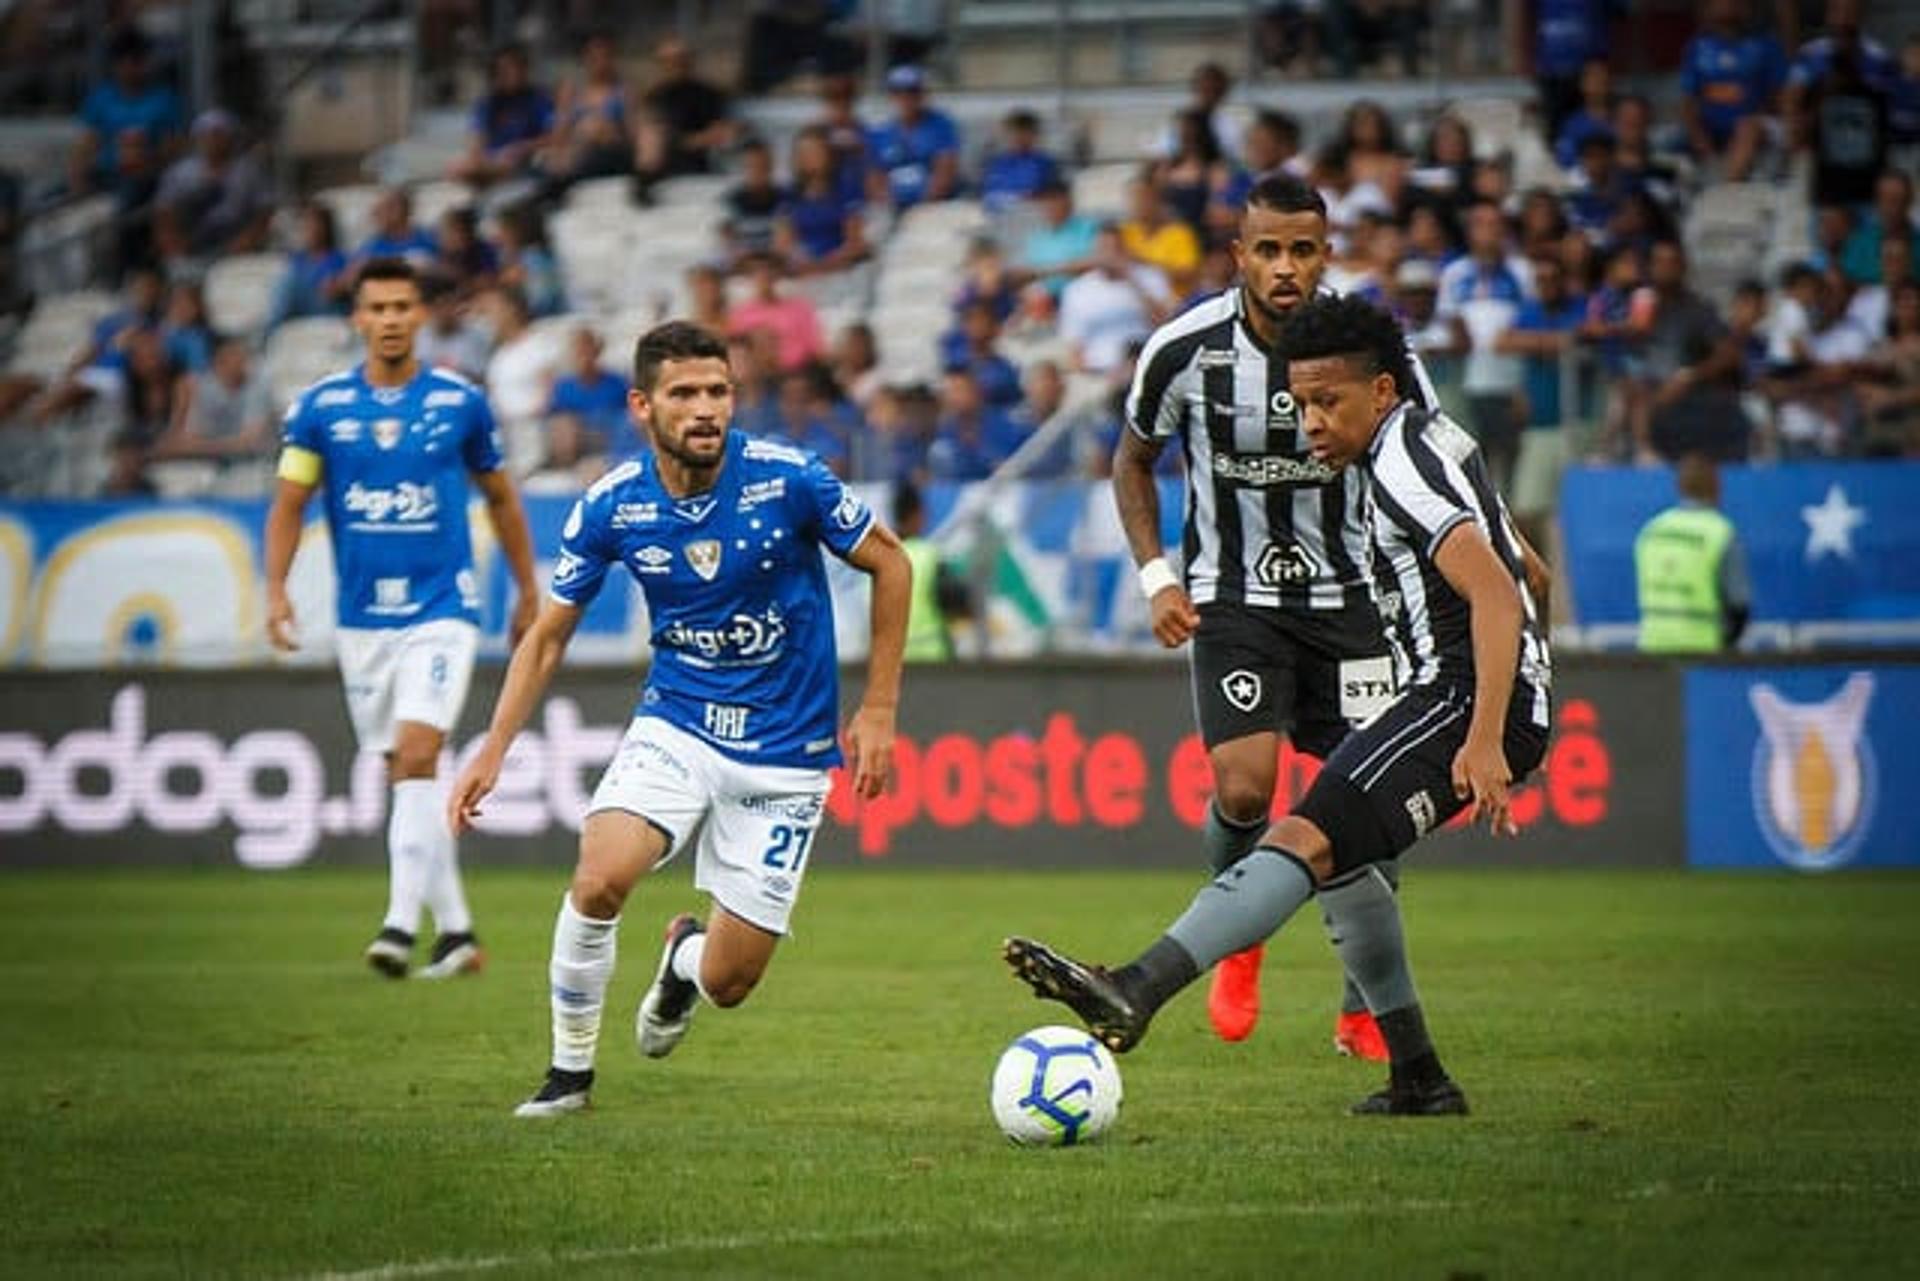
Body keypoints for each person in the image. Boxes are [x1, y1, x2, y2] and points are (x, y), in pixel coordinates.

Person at [1009, 293, 1553, 1116]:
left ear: (1381, 392)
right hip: (1464, 696)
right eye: (1299, 404)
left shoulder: (1403, 462)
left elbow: (1498, 596)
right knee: (1342, 855)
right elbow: (1531, 576)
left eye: (1328, 402)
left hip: (1459, 699)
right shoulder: (1437, 442)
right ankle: (1418, 1077)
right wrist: (1523, 692)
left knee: (1302, 833)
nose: (1310, 425)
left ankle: (1135, 985)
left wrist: (1485, 735)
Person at [446, 320, 910, 1117]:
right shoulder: (613, 506)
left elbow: (891, 562)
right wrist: (492, 748)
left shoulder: (790, 478)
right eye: (684, 393)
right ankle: (569, 1076)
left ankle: (682, 961)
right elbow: (547, 634)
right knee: (600, 875)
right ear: (641, 405)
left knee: (730, 982)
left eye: (719, 392)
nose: (706, 409)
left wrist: (878, 706)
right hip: (680, 722)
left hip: (787, 752)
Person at [1111, 174, 1444, 1062]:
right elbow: (1133, 461)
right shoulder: (1183, 349)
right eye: (1268, 249)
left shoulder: (1376, 347)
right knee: (1246, 791)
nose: (1286, 267)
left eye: (1303, 249)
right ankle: (1241, 927)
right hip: (1235, 599)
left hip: (1359, 606)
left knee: (1365, 805)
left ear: (1326, 253)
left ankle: (1359, 1009)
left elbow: (1430, 453)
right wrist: (1156, 577)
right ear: (1239, 256)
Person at [264, 258, 538, 980]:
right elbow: (289, 503)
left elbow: (504, 498)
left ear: (420, 316)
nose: (389, 318)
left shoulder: (461, 402)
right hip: (361, 619)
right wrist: (276, 589)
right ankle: (455, 933)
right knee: (405, 774)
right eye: (376, 307)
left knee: (417, 754)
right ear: (357, 319)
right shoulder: (319, 409)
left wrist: (527, 589)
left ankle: (395, 925)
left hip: (443, 606)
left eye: (401, 306)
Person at [1635, 452, 1750, 654]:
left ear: (1680, 486)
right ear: (1717, 487)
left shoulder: (1651, 530)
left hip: (1653, 644)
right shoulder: (1720, 532)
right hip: (1703, 647)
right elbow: (1739, 605)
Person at [1680, 0, 1787, 182]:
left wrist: (1756, 116)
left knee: (1747, 128)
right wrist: (1702, 143)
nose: (1728, 5)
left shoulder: (1766, 45)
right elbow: (1688, 103)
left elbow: (1779, 96)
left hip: (1758, 129)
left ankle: (1726, 190)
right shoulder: (1697, 48)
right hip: (1711, 135)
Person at [449, 43, 555, 187]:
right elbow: (477, 140)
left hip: (522, 161)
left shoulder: (539, 100)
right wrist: (478, 157)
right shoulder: (487, 103)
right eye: (500, 70)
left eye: (511, 68)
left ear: (524, 69)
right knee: (456, 167)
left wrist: (523, 147)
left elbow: (553, 136)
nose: (506, 74)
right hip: (491, 161)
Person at [866, 65, 960, 211]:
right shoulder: (880, 132)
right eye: (898, 92)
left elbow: (944, 174)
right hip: (891, 207)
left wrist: (922, 206)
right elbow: (874, 178)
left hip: (932, 207)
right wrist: (888, 204)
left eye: (912, 91)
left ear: (922, 94)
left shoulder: (941, 126)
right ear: (891, 96)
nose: (906, 97)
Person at [895, 480, 967, 662]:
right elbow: (953, 599)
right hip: (930, 656)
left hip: (892, 659)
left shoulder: (879, 557)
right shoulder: (928, 555)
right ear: (917, 515)